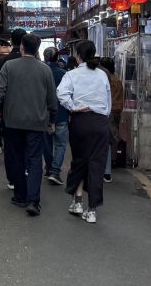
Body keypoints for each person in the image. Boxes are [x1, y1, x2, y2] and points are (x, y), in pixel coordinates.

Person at [0, 34, 57, 217]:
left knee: (16, 158)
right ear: (37, 49)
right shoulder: (45, 70)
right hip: (37, 122)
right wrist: (52, 120)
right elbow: (52, 99)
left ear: (22, 47)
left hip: (13, 122)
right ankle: (33, 200)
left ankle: (20, 195)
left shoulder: (9, 66)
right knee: (34, 160)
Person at [57, 40, 111, 224]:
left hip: (81, 121)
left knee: (80, 161)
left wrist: (74, 107)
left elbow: (61, 93)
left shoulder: (72, 74)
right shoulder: (103, 75)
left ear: (78, 55)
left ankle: (78, 201)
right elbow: (108, 101)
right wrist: (103, 116)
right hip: (100, 122)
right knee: (96, 165)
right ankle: (92, 210)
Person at [0, 29, 26, 186]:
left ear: (11, 41)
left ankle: (12, 179)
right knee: (27, 144)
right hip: (30, 111)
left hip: (8, 110)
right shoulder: (35, 62)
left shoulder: (4, 61)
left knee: (11, 146)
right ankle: (26, 171)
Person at [43, 47, 68, 186]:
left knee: (46, 144)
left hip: (44, 114)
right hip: (62, 114)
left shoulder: (41, 73)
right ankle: (55, 170)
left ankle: (48, 168)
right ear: (57, 57)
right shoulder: (64, 74)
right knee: (60, 144)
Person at [99, 57, 123, 183]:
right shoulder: (117, 79)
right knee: (111, 139)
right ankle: (109, 166)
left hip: (107, 112)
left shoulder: (106, 80)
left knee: (105, 141)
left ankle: (106, 169)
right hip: (116, 111)